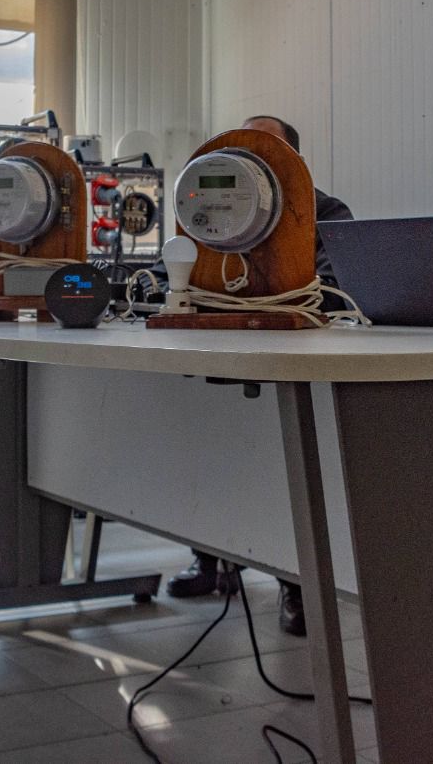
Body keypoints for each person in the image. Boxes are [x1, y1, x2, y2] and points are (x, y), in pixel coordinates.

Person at [164, 114, 354, 637]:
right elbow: (179, 272)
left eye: (266, 146)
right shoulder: (201, 204)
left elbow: (332, 289)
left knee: (283, 472)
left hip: (287, 367)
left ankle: (295, 583)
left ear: (292, 162)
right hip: (217, 355)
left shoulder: (325, 212)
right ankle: (210, 559)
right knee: (211, 457)